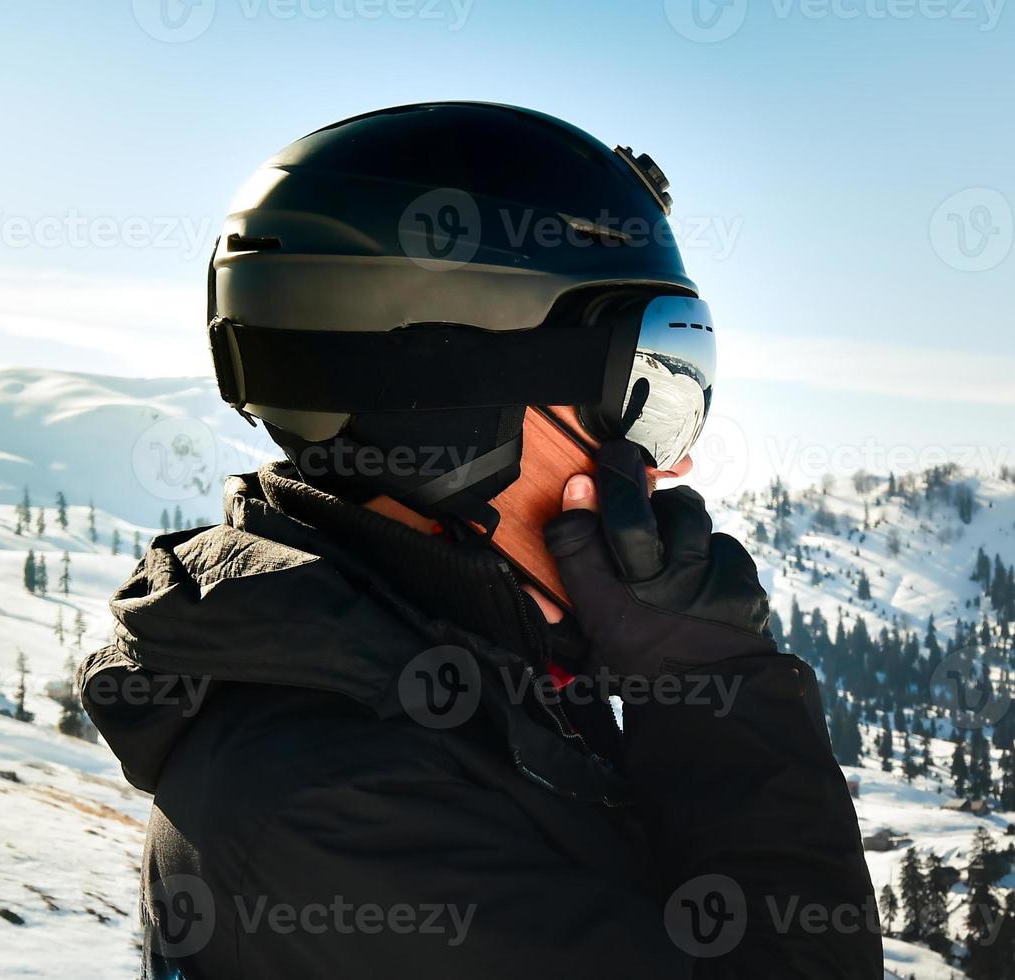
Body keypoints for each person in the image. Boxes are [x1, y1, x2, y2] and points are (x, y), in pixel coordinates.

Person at [80, 103, 878, 978]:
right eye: (648, 388)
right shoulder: (336, 806)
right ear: (458, 408)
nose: (672, 461)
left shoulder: (449, 667)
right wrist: (721, 693)